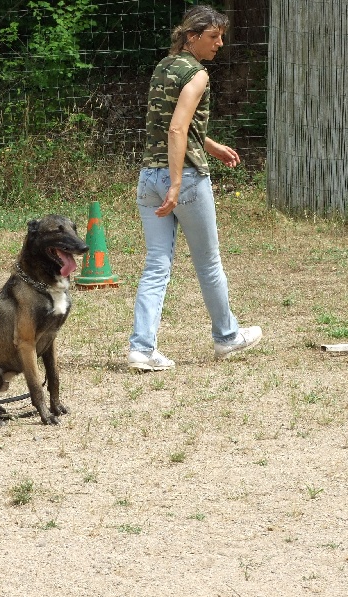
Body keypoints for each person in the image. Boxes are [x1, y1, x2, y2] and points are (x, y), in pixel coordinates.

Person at [128, 4, 262, 372]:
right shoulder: (198, 75)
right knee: (208, 262)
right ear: (192, 37)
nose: (219, 43)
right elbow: (176, 129)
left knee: (156, 264)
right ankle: (227, 337)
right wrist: (175, 183)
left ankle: (141, 349)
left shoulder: (164, 66)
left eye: (221, 37)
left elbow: (173, 123)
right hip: (182, 178)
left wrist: (211, 145)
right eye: (213, 36)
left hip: (147, 178)